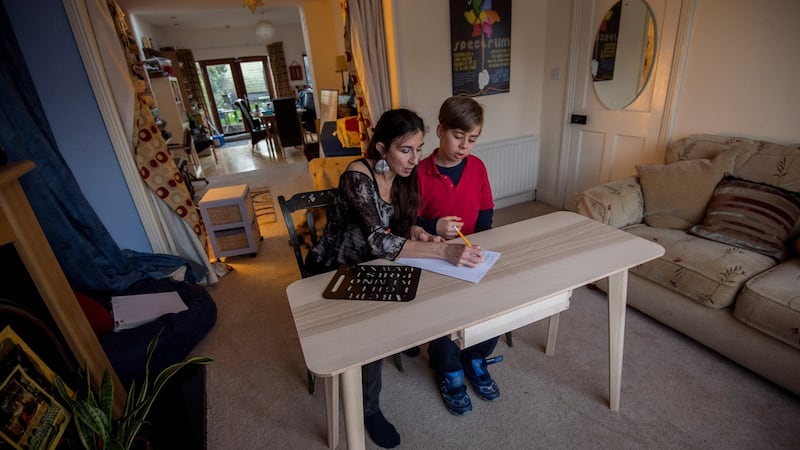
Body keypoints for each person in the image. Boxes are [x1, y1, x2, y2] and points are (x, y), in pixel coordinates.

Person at [304, 108, 484, 448]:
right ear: (382, 148)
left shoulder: (403, 174)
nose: (415, 159)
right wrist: (443, 251)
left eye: (418, 149)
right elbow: (377, 239)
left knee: (431, 289)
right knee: (373, 332)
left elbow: (399, 226)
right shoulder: (357, 175)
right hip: (332, 270)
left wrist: (419, 233)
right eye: (405, 150)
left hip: (371, 264)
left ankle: (410, 339)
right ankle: (369, 409)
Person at [417, 96, 501, 416]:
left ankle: (475, 357)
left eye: (473, 139)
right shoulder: (419, 173)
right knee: (441, 314)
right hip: (435, 256)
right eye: (458, 136)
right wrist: (433, 226)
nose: (465, 146)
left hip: (472, 254)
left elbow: (486, 210)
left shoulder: (477, 167)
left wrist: (481, 242)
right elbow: (407, 222)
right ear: (440, 131)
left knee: (493, 301)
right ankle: (449, 369)